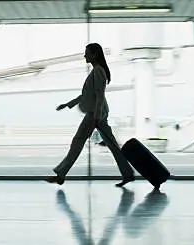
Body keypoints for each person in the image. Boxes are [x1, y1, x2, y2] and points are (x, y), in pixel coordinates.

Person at [46, 43, 135, 187]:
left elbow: (99, 96)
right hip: (97, 113)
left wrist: (96, 117)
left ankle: (61, 174)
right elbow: (86, 95)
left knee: (78, 142)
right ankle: (128, 174)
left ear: (94, 55)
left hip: (95, 114)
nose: (84, 55)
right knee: (111, 146)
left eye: (87, 53)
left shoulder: (98, 71)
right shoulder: (96, 71)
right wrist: (68, 104)